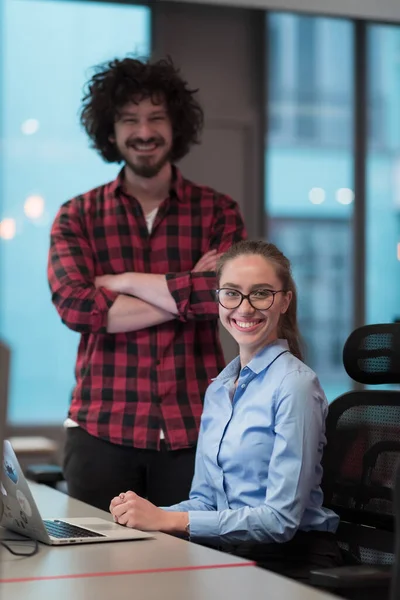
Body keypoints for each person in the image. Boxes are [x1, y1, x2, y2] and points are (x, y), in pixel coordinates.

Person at [47, 57, 246, 512]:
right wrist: (190, 287)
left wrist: (123, 283)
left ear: (176, 125)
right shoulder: (77, 215)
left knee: (191, 579)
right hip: (101, 430)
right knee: (98, 577)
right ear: (110, 131)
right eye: (129, 119)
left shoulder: (218, 212)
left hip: (193, 433)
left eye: (156, 117)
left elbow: (226, 299)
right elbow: (79, 310)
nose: (144, 131)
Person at [109, 240, 343, 582]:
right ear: (218, 299)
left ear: (284, 301)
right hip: (230, 553)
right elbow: (206, 501)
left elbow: (280, 521)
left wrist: (169, 521)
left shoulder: (295, 385)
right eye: (231, 293)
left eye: (261, 293)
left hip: (291, 563)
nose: (244, 309)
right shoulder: (220, 387)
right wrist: (144, 515)